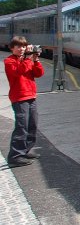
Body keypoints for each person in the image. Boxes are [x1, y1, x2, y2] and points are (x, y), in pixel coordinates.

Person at [4, 36, 44, 168]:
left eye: (23, 46)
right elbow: (18, 72)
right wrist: (28, 59)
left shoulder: (27, 60)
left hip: (31, 96)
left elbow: (39, 73)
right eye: (18, 47)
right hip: (19, 97)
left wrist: (36, 60)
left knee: (32, 124)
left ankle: (26, 149)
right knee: (22, 127)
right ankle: (15, 156)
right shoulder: (9, 61)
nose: (21, 49)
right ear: (12, 48)